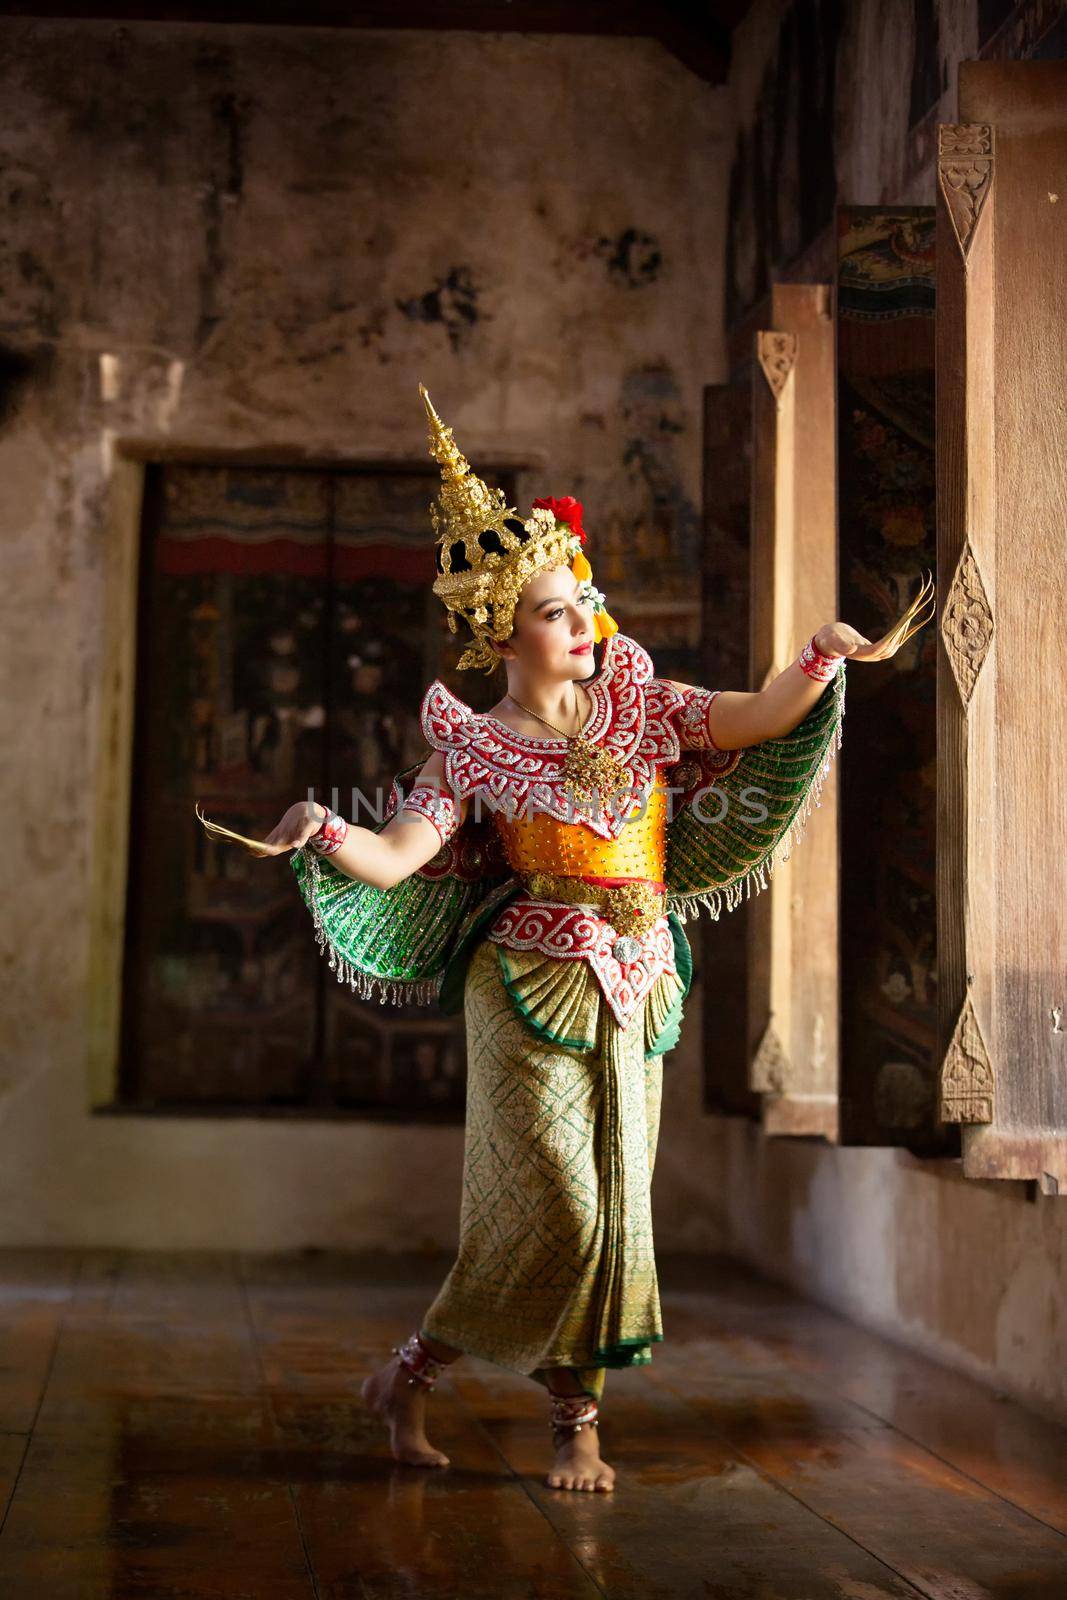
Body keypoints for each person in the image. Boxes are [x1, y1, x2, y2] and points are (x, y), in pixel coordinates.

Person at [201, 385, 932, 1493]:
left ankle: (507, 1405)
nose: (587, 621)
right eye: (557, 610)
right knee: (562, 1202)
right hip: (525, 984)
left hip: (635, 982)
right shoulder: (470, 749)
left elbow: (748, 717)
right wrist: (325, 831)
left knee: (614, 1199)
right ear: (500, 630)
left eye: (586, 598)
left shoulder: (641, 704)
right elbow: (400, 855)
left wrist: (817, 658)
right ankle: (466, 1386)